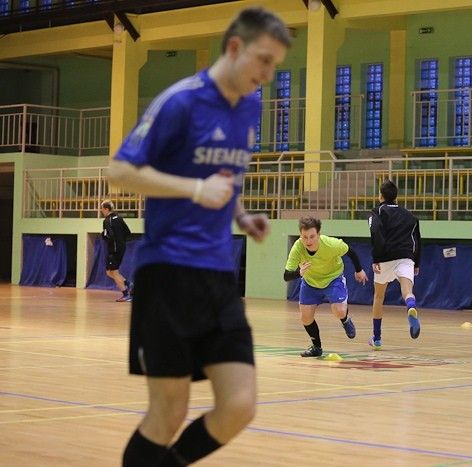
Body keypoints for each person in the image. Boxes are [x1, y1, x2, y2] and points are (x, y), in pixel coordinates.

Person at [107, 8, 291, 466]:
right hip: (168, 274)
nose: (268, 74)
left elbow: (222, 176)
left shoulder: (249, 106)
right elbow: (120, 172)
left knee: (239, 406)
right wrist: (194, 189)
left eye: (274, 65)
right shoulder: (181, 101)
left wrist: (241, 214)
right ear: (235, 47)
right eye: (263, 60)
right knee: (168, 414)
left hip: (217, 277)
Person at [283, 217, 368, 357]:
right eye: (305, 237)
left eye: (312, 236)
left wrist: (359, 270)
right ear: (300, 235)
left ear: (318, 234)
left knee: (339, 311)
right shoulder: (298, 247)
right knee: (305, 318)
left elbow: (349, 251)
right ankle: (316, 348)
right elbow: (286, 276)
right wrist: (299, 273)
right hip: (310, 282)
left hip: (333, 279)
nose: (308, 241)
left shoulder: (330, 244)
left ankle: (345, 319)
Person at [368, 179, 422, 349]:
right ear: (396, 197)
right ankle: (411, 306)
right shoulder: (410, 216)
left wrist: (376, 258)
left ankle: (377, 338)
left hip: (385, 258)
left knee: (379, 297)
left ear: (380, 196)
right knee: (407, 291)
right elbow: (417, 240)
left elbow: (376, 233)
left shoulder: (377, 212)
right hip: (406, 257)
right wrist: (416, 263)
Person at [100, 199, 132, 302]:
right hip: (121, 247)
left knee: (114, 272)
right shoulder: (119, 218)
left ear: (106, 209)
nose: (101, 211)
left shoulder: (107, 221)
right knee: (108, 272)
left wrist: (103, 235)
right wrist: (121, 242)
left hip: (114, 249)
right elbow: (128, 232)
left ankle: (126, 294)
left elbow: (108, 236)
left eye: (102, 209)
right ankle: (128, 283)